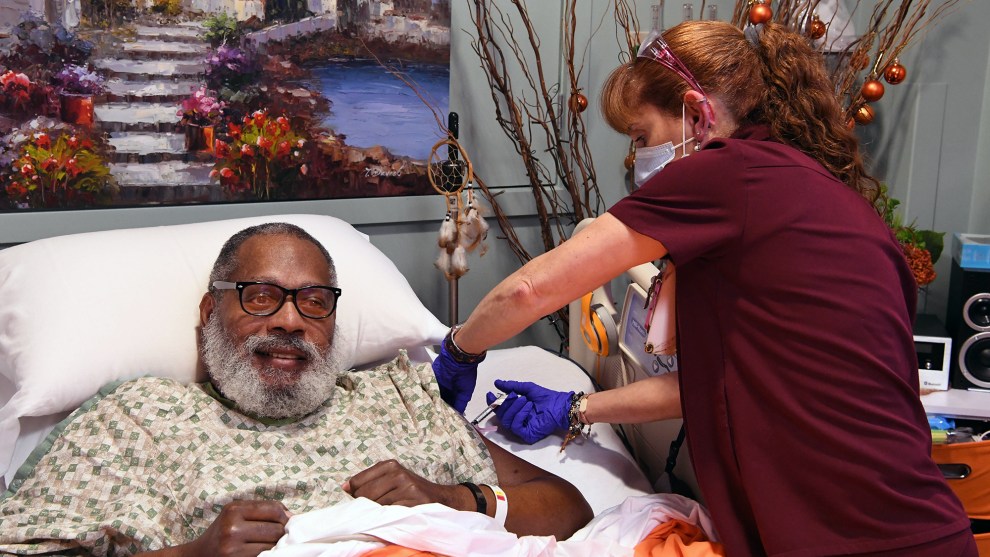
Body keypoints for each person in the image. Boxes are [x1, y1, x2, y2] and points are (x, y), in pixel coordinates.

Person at [430, 20, 978, 557]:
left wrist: (459, 350)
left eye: (641, 137)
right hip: (916, 526)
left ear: (696, 113)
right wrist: (578, 408)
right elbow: (724, 381)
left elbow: (530, 290)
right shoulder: (812, 194)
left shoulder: (726, 174)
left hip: (847, 534)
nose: (636, 159)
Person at [0, 222, 592, 556]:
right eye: (260, 296)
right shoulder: (138, 419)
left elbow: (569, 507)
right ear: (210, 311)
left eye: (313, 302)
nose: (288, 321)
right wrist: (189, 556)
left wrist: (453, 498)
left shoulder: (397, 398)